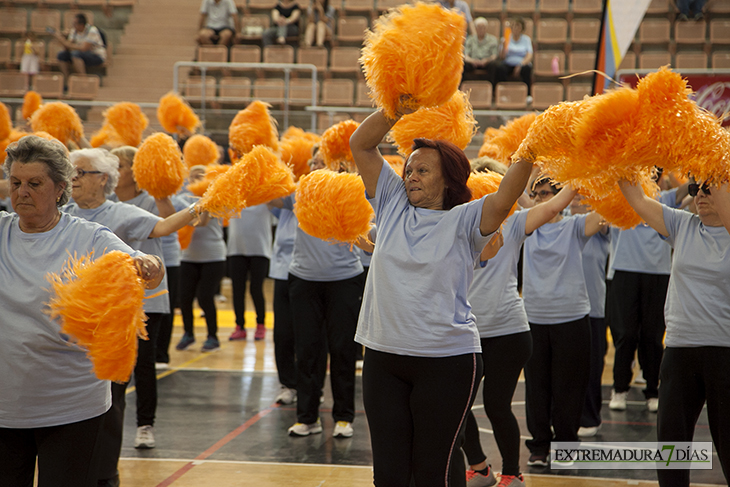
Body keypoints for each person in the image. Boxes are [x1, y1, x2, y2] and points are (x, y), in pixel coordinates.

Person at [350, 103, 533, 485]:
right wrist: (394, 109)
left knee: (433, 471)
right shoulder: (391, 203)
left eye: (422, 170)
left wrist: (530, 151)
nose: (410, 176)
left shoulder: (464, 219)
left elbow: (503, 198)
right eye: (408, 169)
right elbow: (361, 145)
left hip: (447, 362)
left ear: (448, 180)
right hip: (384, 358)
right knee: (388, 473)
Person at [0, 135, 163, 487]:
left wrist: (148, 265)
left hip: (71, 405)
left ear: (60, 188)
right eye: (15, 183)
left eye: (34, 183)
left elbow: (136, 264)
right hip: (5, 406)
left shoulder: (89, 237)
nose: (21, 192)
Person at [61, 148, 202, 485]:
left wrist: (202, 206)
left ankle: (107, 471)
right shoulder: (61, 212)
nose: (74, 178)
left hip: (115, 321)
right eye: (72, 172)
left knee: (113, 395)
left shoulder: (122, 213)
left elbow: (166, 226)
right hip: (71, 321)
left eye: (82, 172)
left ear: (103, 179)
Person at [618, 178, 730, 487]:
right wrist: (615, 150)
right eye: (696, 189)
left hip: (725, 352)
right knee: (671, 449)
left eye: (709, 188)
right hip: (680, 350)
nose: (700, 195)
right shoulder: (683, 225)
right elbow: (638, 199)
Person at [271, 148, 364, 439]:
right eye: (313, 160)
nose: (315, 164)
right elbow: (270, 197)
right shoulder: (301, 191)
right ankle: (307, 417)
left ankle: (344, 417)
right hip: (304, 280)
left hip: (345, 280)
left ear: (339, 165)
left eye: (321, 161)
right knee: (307, 350)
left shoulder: (350, 191)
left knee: (342, 350)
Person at [520, 177, 605, 467]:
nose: (541, 199)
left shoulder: (573, 227)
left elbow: (605, 211)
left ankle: (567, 445)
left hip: (571, 319)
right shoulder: (526, 226)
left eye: (547, 194)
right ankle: (539, 447)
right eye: (537, 194)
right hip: (534, 320)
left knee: (569, 387)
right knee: (537, 388)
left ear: (561, 198)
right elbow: (515, 190)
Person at [607, 174, 688, 413]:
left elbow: (686, 189)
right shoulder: (619, 195)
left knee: (653, 336)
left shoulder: (663, 198)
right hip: (624, 271)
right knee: (625, 335)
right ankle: (619, 388)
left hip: (657, 272)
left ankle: (653, 390)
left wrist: (677, 171)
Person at [175, 166, 227, 353]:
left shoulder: (217, 200)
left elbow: (202, 221)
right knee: (185, 297)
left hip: (213, 256)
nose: (196, 180)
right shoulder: (184, 200)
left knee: (205, 297)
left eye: (201, 177)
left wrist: (207, 198)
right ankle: (188, 333)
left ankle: (212, 336)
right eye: (193, 177)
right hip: (189, 256)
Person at [570, 194, 610, 438]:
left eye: (582, 196)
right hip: (566, 309)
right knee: (566, 368)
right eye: (573, 195)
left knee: (591, 366)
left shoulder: (599, 225)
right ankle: (565, 416)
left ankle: (590, 416)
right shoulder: (560, 222)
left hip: (593, 308)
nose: (575, 200)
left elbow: (606, 215)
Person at [227, 204, 273, 341]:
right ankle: (239, 326)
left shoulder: (265, 197)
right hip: (236, 249)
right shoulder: (233, 197)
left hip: (260, 250)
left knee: (256, 289)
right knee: (237, 289)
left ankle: (261, 324)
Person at [54, 13, 106, 87]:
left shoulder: (92, 30)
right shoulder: (73, 31)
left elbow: (84, 48)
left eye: (75, 24)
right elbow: (68, 46)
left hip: (95, 55)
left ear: (81, 25)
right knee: (61, 55)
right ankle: (67, 81)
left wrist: (68, 44)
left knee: (76, 54)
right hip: (80, 53)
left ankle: (83, 81)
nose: (73, 25)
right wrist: (61, 39)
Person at [494, 17, 533, 102]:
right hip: (508, 63)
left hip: (521, 63)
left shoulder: (526, 39)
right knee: (500, 68)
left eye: (518, 26)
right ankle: (503, 94)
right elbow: (502, 57)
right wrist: (503, 47)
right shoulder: (506, 38)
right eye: (514, 26)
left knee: (527, 69)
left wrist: (520, 64)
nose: (516, 28)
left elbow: (529, 55)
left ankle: (528, 95)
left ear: (522, 28)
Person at [462, 17, 499, 84]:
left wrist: (487, 60)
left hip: (487, 62)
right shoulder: (470, 39)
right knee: (462, 65)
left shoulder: (493, 39)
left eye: (483, 27)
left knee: (495, 65)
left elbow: (494, 56)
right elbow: (466, 56)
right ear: (475, 28)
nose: (481, 29)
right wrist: (473, 61)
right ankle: (463, 88)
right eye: (479, 27)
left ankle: (492, 88)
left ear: (486, 28)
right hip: (473, 62)